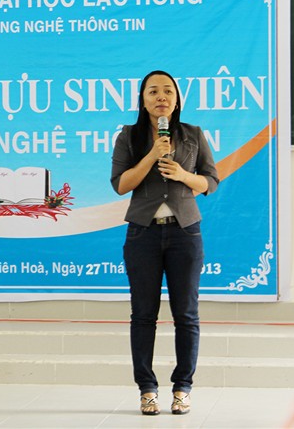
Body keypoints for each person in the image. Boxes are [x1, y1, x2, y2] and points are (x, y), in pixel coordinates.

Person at [110, 70, 219, 416]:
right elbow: (121, 184)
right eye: (153, 91)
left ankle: (183, 387)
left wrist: (184, 175)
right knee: (143, 314)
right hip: (143, 233)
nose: (161, 97)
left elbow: (211, 181)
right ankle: (147, 388)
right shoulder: (128, 136)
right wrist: (151, 155)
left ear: (176, 99)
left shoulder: (193, 134)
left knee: (186, 314)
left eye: (168, 91)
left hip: (185, 232)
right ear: (143, 100)